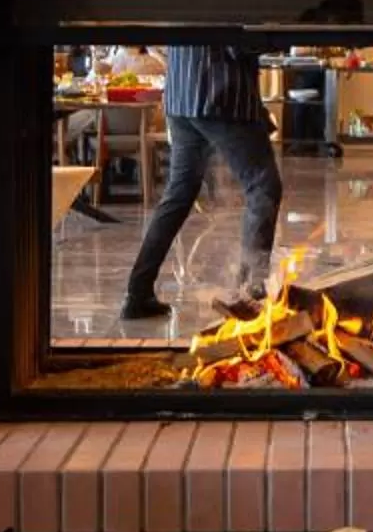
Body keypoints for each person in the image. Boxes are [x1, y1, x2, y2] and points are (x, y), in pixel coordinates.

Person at [119, 42, 284, 323]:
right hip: (220, 97)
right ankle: (248, 296)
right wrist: (284, 38)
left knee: (178, 194)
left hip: (182, 96)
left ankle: (138, 293)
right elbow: (238, 44)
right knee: (263, 188)